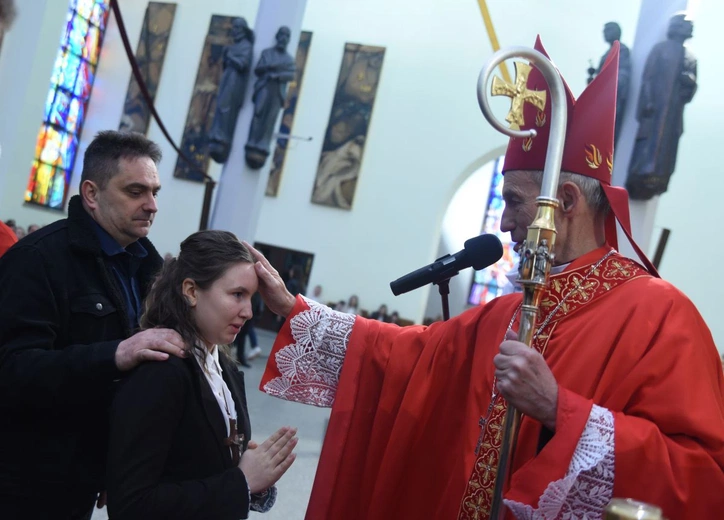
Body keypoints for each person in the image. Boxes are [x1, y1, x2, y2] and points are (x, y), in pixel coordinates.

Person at [248, 38, 724, 519]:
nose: (502, 223)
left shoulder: (662, 316)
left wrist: (560, 409)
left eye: (514, 201)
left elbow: (702, 477)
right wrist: (292, 308)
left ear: (564, 202)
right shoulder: (506, 314)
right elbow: (403, 358)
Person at [0, 131, 187, 520]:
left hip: (84, 476)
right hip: (25, 477)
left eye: (155, 192)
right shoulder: (37, 260)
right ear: (91, 193)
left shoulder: (148, 270)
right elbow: (13, 370)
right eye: (136, 191)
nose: (151, 205)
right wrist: (116, 354)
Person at [106, 230, 297, 519]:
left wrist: (256, 478)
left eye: (251, 298)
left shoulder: (226, 369)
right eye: (237, 295)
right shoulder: (161, 372)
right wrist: (241, 482)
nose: (248, 312)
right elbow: (131, 504)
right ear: (192, 291)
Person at [627, 13, 697, 200]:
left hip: (674, 110)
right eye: (686, 24)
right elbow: (648, 78)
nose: (691, 28)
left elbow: (690, 88)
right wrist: (648, 100)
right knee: (650, 139)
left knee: (667, 143)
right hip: (655, 107)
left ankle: (659, 177)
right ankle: (642, 172)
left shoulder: (690, 56)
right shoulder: (661, 49)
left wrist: (689, 83)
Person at [245, 26, 296, 169]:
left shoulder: (289, 59)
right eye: (282, 35)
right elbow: (258, 69)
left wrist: (277, 75)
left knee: (270, 118)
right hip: (264, 88)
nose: (283, 39)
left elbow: (291, 75)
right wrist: (272, 67)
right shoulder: (267, 53)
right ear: (277, 37)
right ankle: (253, 142)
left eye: (286, 37)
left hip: (277, 92)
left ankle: (262, 145)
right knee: (258, 114)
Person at [208, 17, 255, 164]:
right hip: (228, 78)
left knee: (226, 107)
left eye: (237, 28)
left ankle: (222, 136)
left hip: (235, 82)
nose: (234, 31)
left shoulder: (246, 46)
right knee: (221, 106)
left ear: (243, 30)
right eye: (233, 28)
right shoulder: (232, 46)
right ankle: (216, 134)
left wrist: (230, 57)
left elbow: (243, 64)